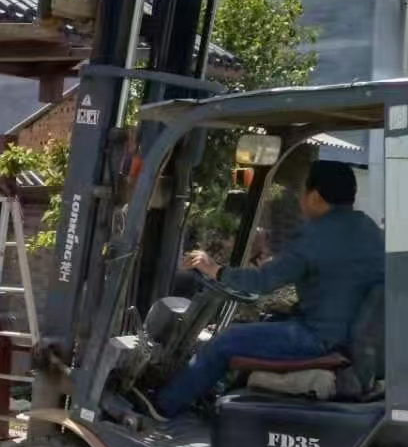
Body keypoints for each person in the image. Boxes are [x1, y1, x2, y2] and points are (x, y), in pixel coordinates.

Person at [149, 161, 383, 420]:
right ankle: (220, 401)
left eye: (302, 192)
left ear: (315, 196)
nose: (301, 199)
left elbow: (262, 283)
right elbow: (335, 277)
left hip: (319, 338)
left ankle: (162, 409)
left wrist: (215, 269)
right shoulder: (369, 229)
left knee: (224, 342)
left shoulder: (314, 235)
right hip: (349, 336)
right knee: (268, 321)